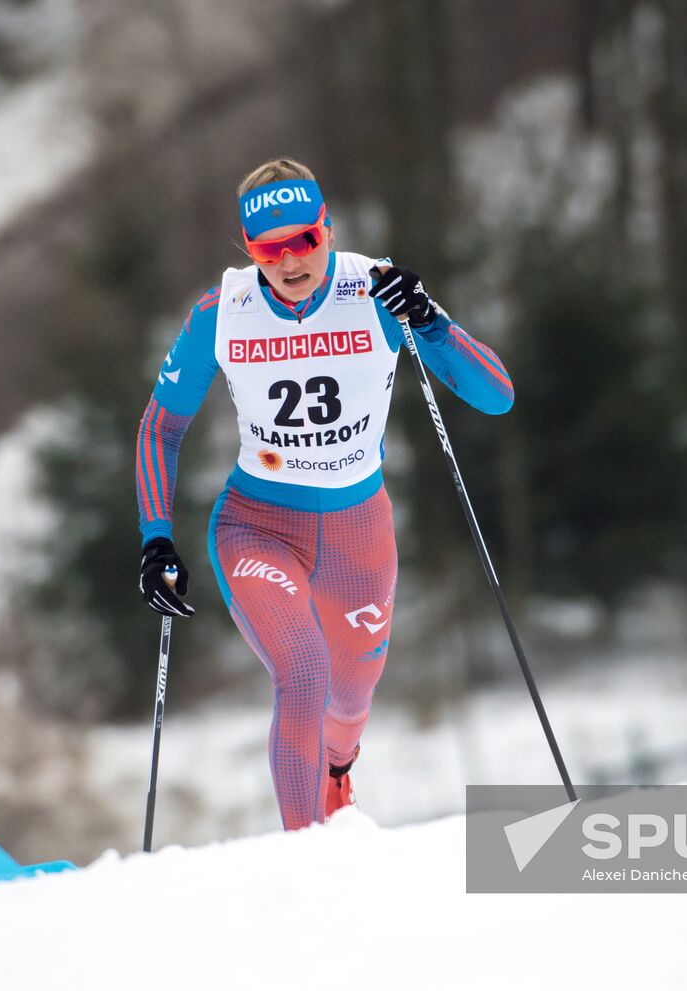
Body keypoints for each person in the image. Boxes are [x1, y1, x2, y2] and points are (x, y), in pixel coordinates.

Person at [133, 158, 514, 831]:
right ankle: (305, 857)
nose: (289, 262)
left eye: (303, 240)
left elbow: (495, 395)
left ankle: (338, 771)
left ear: (327, 232)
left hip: (357, 532)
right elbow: (161, 426)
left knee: (351, 699)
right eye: (269, 249)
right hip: (257, 527)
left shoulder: (379, 290)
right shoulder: (223, 313)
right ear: (249, 251)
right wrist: (156, 538)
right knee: (302, 670)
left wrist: (429, 322)